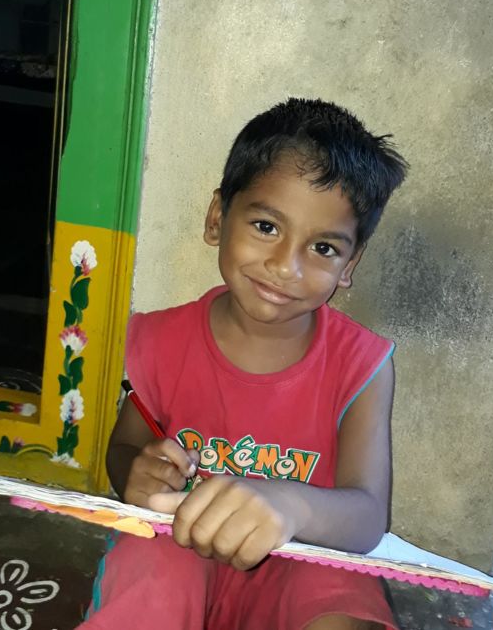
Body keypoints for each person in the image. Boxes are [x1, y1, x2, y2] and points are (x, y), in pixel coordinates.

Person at [79, 97, 408, 630]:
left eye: (323, 249)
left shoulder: (362, 365)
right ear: (217, 218)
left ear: (349, 264)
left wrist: (288, 507)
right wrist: (136, 474)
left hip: (303, 558)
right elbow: (125, 448)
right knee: (150, 569)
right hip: (180, 542)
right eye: (266, 226)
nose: (286, 266)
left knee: (340, 602)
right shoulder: (160, 340)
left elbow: (368, 517)